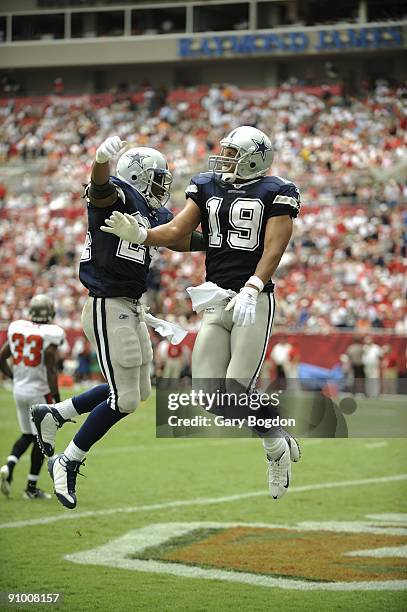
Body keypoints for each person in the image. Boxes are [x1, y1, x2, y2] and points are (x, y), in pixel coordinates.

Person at [101, 125, 301, 499]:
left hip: (252, 300)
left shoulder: (277, 192)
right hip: (215, 299)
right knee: (212, 399)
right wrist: (142, 235)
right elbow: (178, 229)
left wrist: (253, 287)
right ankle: (275, 433)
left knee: (237, 389)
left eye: (231, 153)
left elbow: (274, 247)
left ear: (254, 158)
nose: (223, 158)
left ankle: (275, 449)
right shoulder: (208, 185)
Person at [31, 136, 204, 510]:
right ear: (137, 176)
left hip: (129, 306)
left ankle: (55, 413)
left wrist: (228, 243)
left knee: (137, 391)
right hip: (107, 305)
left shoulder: (152, 212)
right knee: (123, 398)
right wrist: (100, 163)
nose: (162, 186)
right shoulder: (121, 194)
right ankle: (68, 459)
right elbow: (101, 192)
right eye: (157, 178)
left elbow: (181, 238)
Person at [0, 295, 63, 499]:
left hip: (19, 390)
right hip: (39, 391)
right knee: (41, 439)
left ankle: (9, 466)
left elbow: (2, 357)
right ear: (50, 312)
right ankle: (31, 487)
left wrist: (14, 377)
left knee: (27, 434)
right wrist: (56, 398)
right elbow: (51, 368)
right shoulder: (51, 333)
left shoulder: (18, 328)